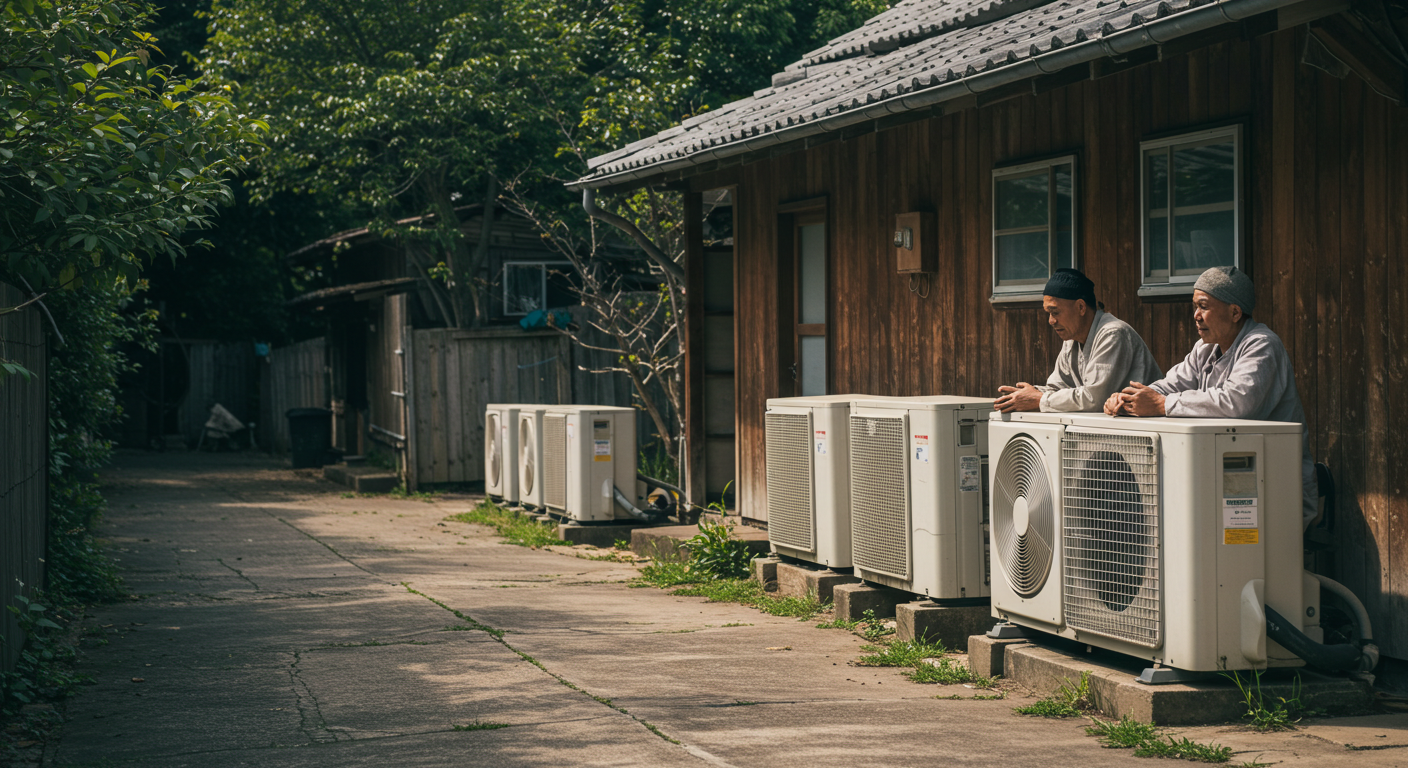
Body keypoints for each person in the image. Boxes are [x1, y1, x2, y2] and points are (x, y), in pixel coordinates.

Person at [1105, 266, 1318, 528]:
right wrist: (1128, 398)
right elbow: (1170, 384)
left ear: (1235, 312)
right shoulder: (1205, 348)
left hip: (1276, 486)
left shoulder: (1262, 344)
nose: (1196, 316)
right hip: (1230, 484)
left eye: (1203, 306)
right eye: (1194, 306)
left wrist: (1161, 405)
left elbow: (1236, 401)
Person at [995, 268, 1162, 413]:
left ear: (1081, 307)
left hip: (1146, 427)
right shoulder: (1071, 339)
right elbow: (1057, 388)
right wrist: (1024, 394)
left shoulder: (1113, 333)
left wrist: (1039, 399)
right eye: (1048, 314)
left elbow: (1094, 399)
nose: (1051, 321)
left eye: (1055, 312)